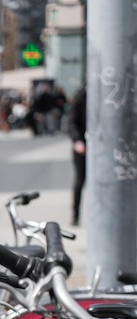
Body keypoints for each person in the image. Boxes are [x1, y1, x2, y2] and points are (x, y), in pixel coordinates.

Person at [67, 85, 86, 227]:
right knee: (80, 181)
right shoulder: (82, 94)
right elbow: (71, 121)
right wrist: (77, 140)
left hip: (100, 147)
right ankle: (75, 215)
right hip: (82, 145)